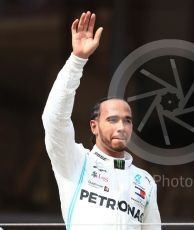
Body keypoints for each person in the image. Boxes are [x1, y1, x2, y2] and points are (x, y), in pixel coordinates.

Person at [42, 11, 161, 230]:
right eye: (113, 119)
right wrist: (77, 60)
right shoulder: (75, 162)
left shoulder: (144, 181)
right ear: (94, 126)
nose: (121, 127)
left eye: (127, 120)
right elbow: (54, 120)